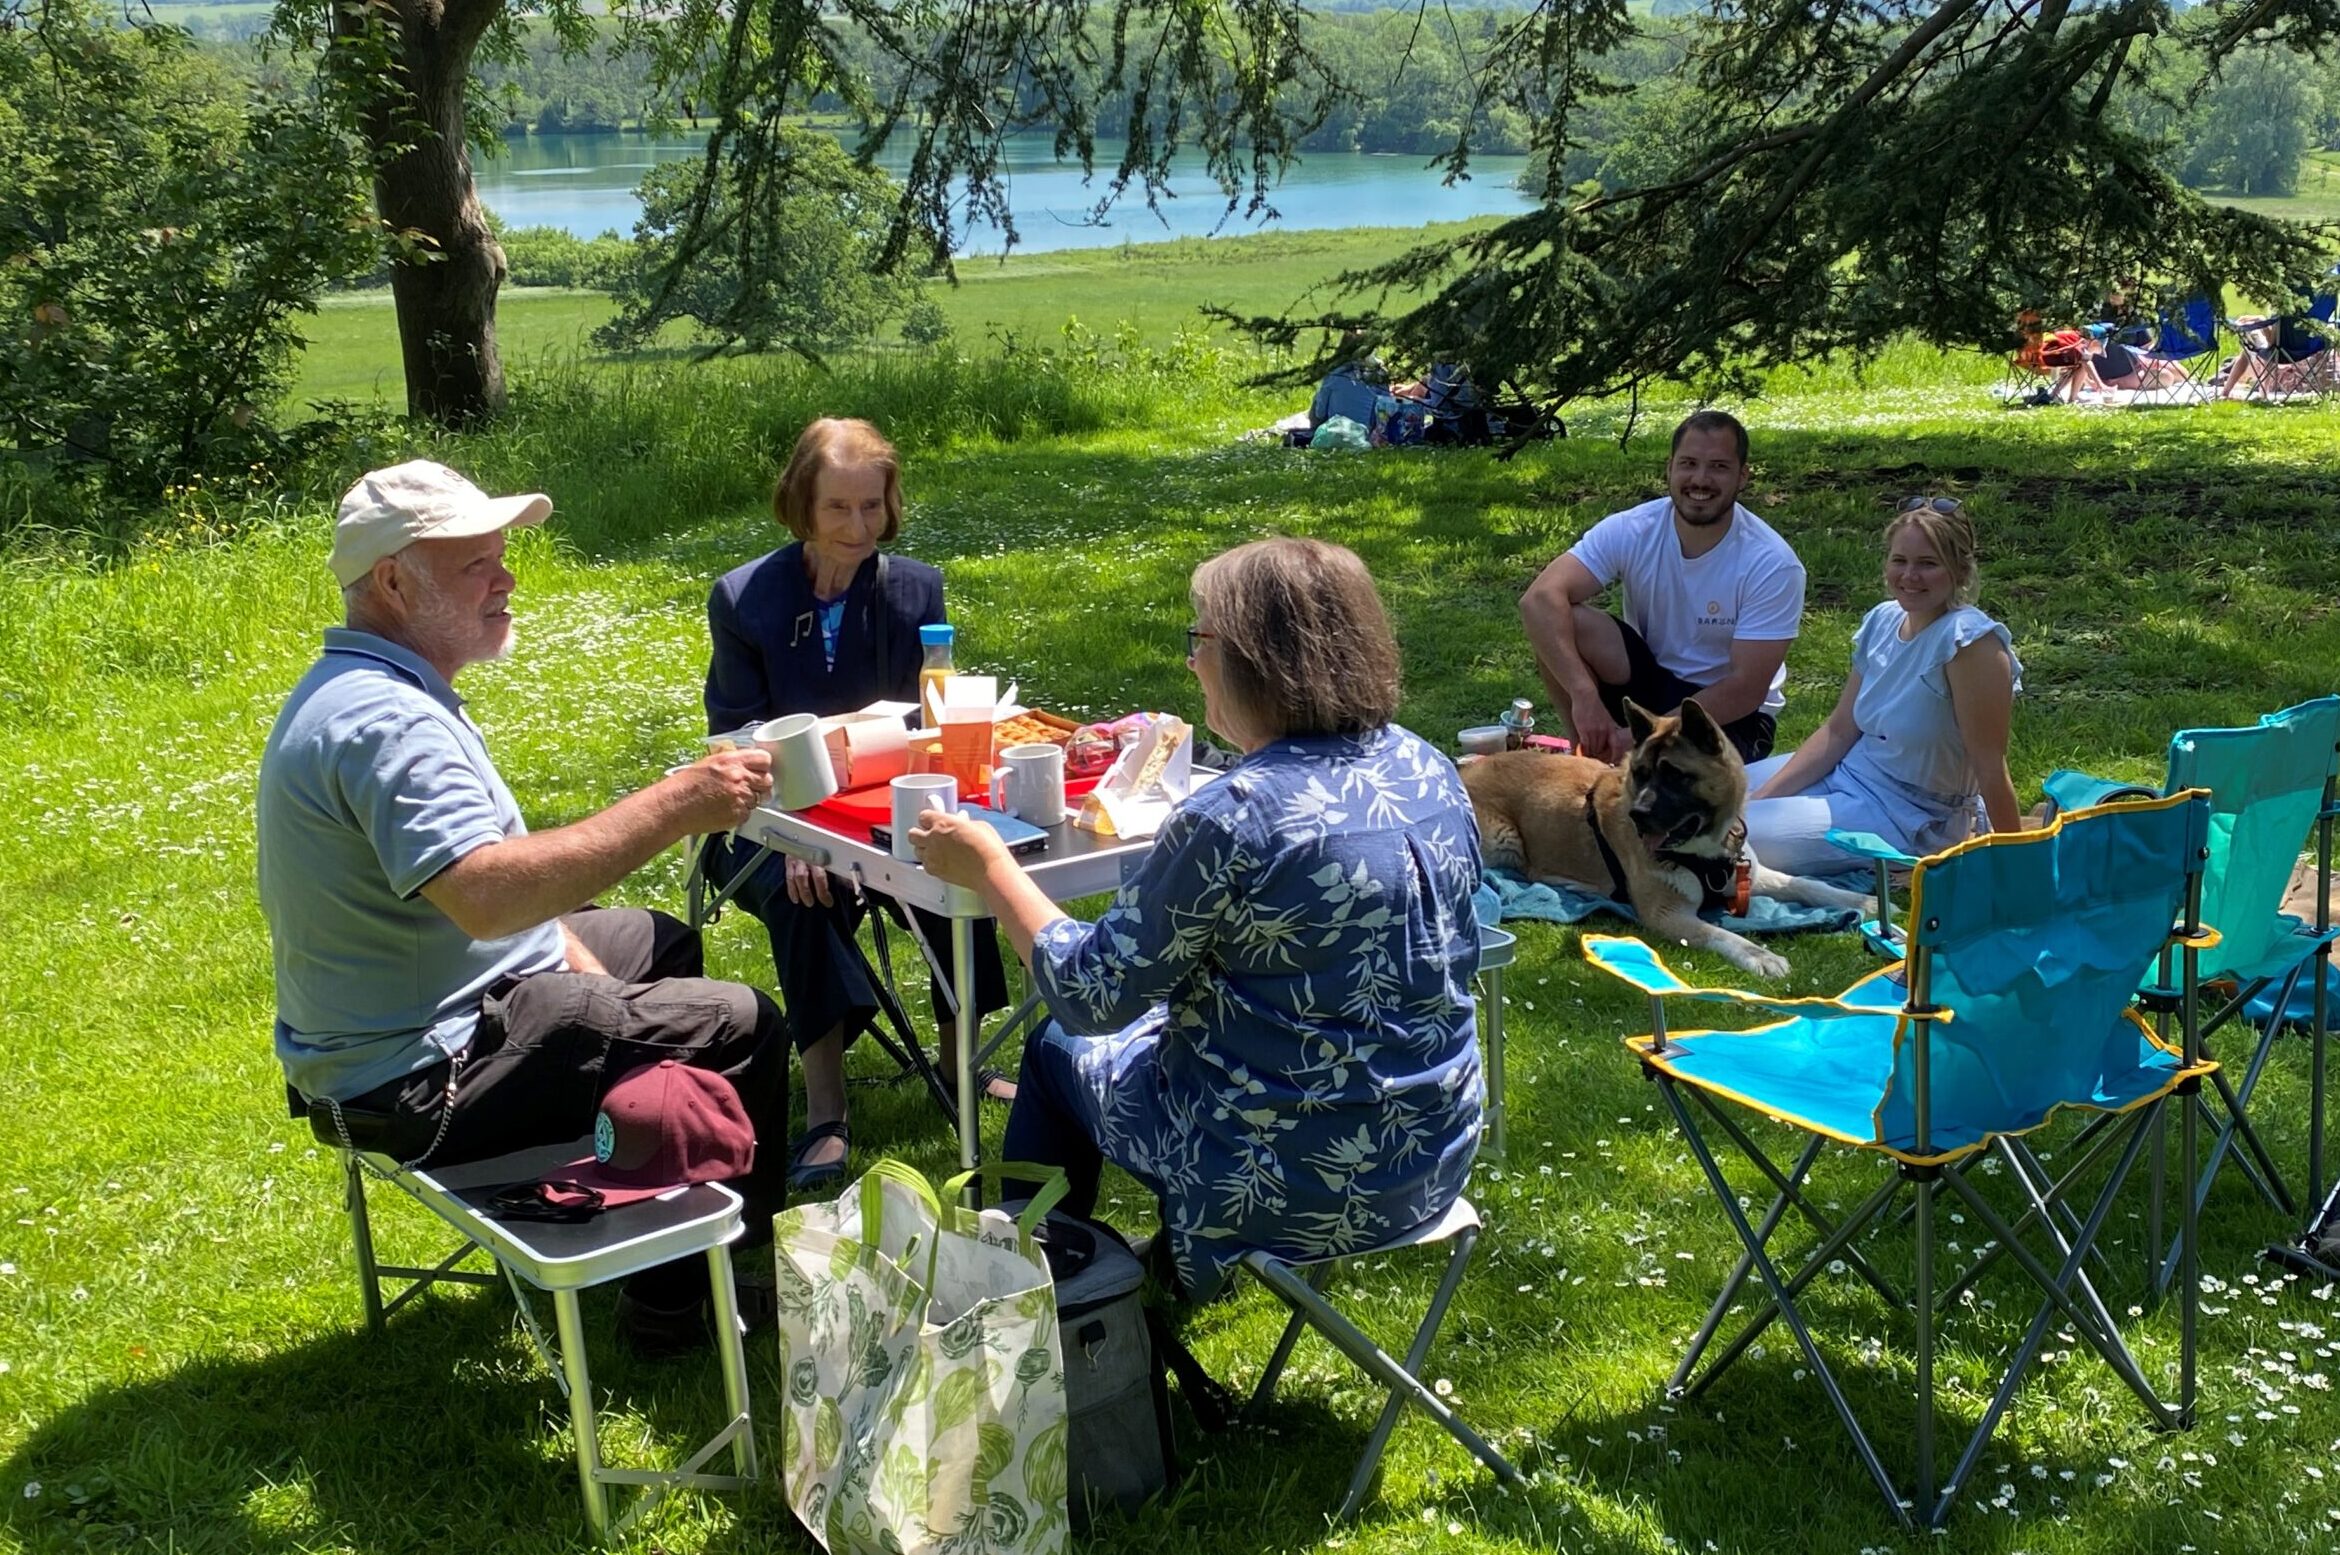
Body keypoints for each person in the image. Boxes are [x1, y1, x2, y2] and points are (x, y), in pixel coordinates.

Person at [257, 460, 789, 1350]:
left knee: (656, 944)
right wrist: (678, 802)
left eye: (502, 556)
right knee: (744, 1022)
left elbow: (492, 901)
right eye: (478, 564)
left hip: (392, 1034)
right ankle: (698, 1301)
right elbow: (487, 894)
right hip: (417, 1078)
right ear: (393, 580)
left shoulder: (360, 688)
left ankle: (652, 1248)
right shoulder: (389, 722)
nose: (507, 579)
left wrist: (593, 980)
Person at [909, 538, 1484, 1300]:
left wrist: (991, 866)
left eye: (1200, 638)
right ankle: (1149, 1271)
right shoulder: (1427, 767)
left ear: (1252, 658)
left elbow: (1090, 995)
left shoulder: (1234, 814)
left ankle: (1028, 1303)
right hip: (1425, 1158)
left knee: (1052, 1044)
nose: (1190, 662)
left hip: (1280, 1179)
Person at [702, 417, 1009, 1196]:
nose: (857, 526)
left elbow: (927, 728)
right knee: (801, 888)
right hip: (768, 817)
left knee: (950, 847)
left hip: (882, 804)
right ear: (801, 506)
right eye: (838, 508)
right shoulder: (743, 598)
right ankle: (828, 1106)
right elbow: (734, 744)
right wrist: (801, 836)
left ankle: (959, 1059)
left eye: (872, 506)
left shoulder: (916, 589)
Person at [1742, 496, 2023, 875]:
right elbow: (1839, 731)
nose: (1910, 576)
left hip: (1911, 815)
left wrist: (2019, 865)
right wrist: (1762, 798)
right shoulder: (1883, 620)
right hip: (1848, 773)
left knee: (1730, 837)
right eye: (1900, 561)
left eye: (1928, 564)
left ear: (1958, 570)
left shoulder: (1971, 644)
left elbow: (1990, 765)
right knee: (1702, 794)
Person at [1519, 409, 1804, 766]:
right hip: (1653, 678)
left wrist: (1649, 735)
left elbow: (1746, 689)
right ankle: (1588, 758)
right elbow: (1539, 599)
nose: (1700, 480)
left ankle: (1625, 760)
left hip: (1730, 714)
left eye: (1718, 467)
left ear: (1742, 476)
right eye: (1688, 463)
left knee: (1667, 790)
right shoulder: (1635, 528)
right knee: (1563, 621)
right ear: (1669, 467)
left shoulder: (1772, 562)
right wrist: (1584, 695)